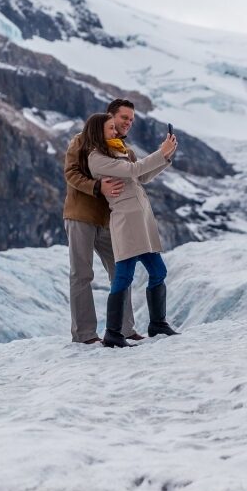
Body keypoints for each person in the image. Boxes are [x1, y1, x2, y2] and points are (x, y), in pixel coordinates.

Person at [80, 112, 181, 348]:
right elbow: (134, 170)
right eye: (110, 129)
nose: (116, 132)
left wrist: (165, 156)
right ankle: (113, 333)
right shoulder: (96, 158)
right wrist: (160, 151)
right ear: (98, 131)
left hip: (141, 219)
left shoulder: (116, 151)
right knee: (124, 276)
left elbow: (141, 176)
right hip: (125, 221)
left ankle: (157, 323)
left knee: (158, 271)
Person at [62, 99, 143, 344]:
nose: (128, 123)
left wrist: (164, 158)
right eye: (124, 118)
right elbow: (71, 173)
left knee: (121, 272)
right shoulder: (81, 141)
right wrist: (97, 187)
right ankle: (85, 334)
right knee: (82, 274)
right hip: (81, 215)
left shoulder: (125, 150)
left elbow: (136, 175)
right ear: (110, 117)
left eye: (131, 120)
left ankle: (124, 329)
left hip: (111, 221)